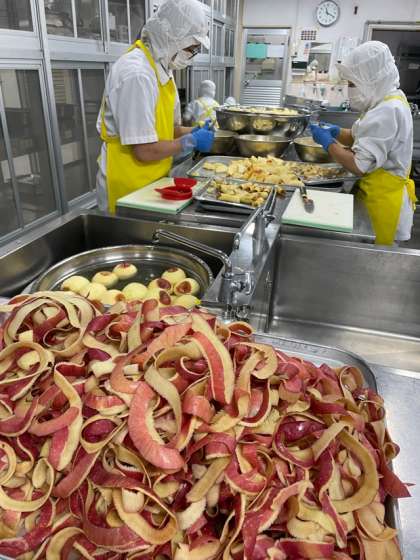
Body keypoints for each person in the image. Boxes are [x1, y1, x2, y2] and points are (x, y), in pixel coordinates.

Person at [96, 0, 214, 213]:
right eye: (190, 49)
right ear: (170, 38)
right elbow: (144, 150)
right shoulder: (137, 74)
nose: (190, 56)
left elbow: (168, 129)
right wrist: (191, 141)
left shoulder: (162, 68)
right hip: (127, 183)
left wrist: (194, 130)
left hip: (153, 179)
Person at [310, 41, 417, 245]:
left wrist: (328, 143)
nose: (349, 90)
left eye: (352, 84)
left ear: (372, 78)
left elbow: (358, 165)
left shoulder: (388, 110)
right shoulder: (387, 100)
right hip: (375, 191)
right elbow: (358, 136)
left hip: (383, 202)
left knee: (376, 260)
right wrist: (335, 131)